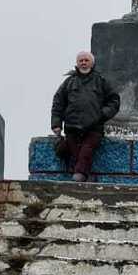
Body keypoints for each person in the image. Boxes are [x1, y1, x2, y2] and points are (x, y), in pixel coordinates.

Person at [51, 52, 120, 182]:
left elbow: (114, 100)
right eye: (81, 60)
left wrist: (102, 114)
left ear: (92, 63)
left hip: (94, 127)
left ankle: (80, 175)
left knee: (86, 152)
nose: (83, 63)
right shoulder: (68, 82)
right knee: (76, 153)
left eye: (86, 60)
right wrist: (56, 124)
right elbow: (58, 103)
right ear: (77, 63)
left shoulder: (101, 81)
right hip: (72, 127)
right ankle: (83, 174)